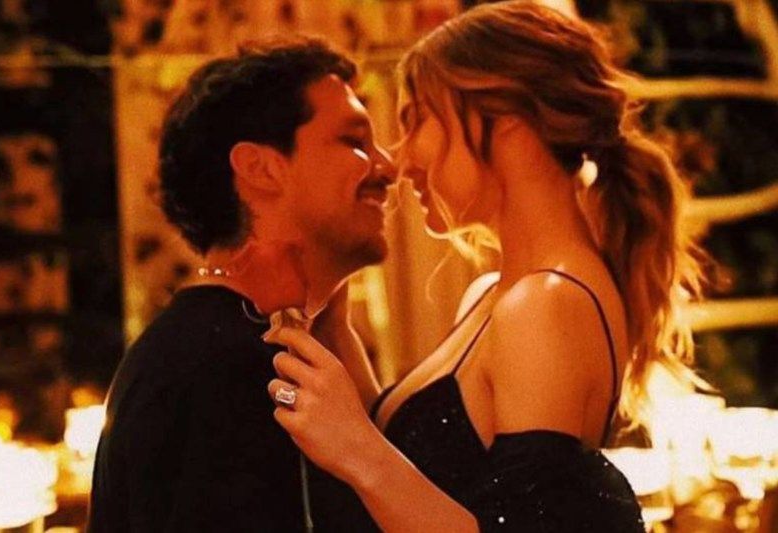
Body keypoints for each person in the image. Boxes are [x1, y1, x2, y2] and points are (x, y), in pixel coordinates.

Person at [265, 2, 707, 532]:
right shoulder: (495, 294)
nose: (401, 161)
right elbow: (429, 469)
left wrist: (357, 450)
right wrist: (332, 318)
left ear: (508, 120)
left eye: (416, 121)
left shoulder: (546, 305)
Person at [88, 37, 393, 532]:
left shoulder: (240, 345)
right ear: (260, 169)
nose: (388, 168)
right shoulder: (223, 367)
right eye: (355, 141)